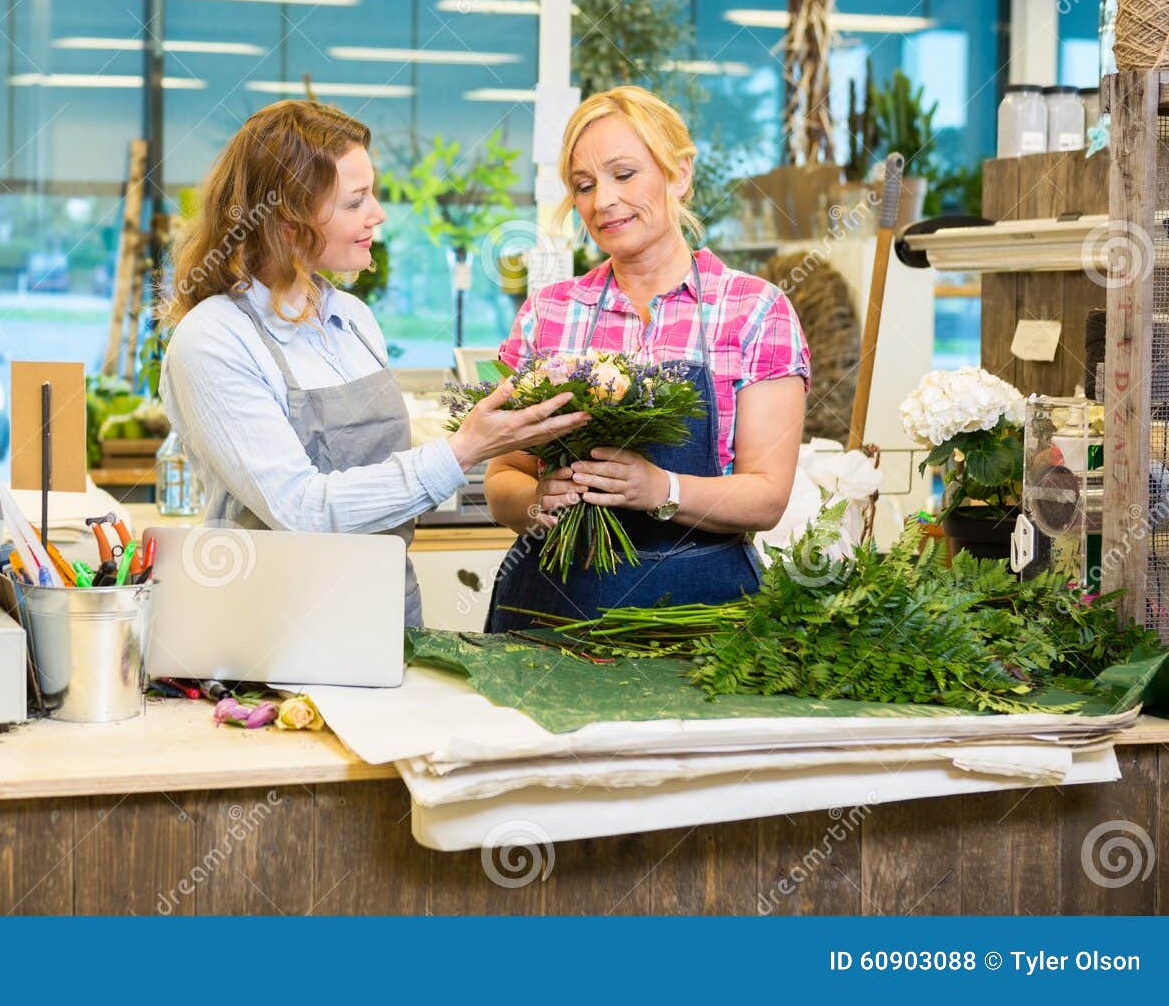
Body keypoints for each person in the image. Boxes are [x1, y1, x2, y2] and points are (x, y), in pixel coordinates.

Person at [160, 99, 587, 626]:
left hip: (385, 613)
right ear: (289, 223)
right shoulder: (215, 339)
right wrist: (465, 448)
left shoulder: (354, 320)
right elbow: (300, 511)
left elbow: (381, 489)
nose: (378, 214)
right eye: (356, 200)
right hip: (272, 631)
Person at [484, 86, 809, 630]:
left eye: (624, 174)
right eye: (583, 186)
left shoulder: (753, 310)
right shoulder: (549, 313)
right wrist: (537, 500)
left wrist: (662, 490)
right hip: (550, 609)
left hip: (703, 618)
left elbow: (767, 497)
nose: (602, 200)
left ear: (679, 174)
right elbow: (503, 478)